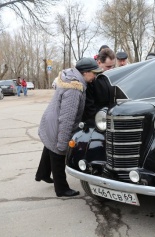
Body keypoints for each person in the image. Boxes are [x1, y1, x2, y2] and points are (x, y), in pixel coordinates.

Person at [35, 57, 102, 197]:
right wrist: (63, 143)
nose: (95, 76)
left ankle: (42, 174)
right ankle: (61, 189)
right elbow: (66, 119)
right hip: (57, 124)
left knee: (49, 147)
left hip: (50, 120)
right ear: (85, 72)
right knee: (58, 153)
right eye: (93, 73)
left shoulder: (70, 77)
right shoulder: (74, 89)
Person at [82, 48, 116, 126]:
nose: (111, 70)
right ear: (99, 62)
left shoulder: (112, 77)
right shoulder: (91, 79)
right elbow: (89, 107)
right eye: (108, 67)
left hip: (108, 119)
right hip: (96, 122)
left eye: (113, 67)